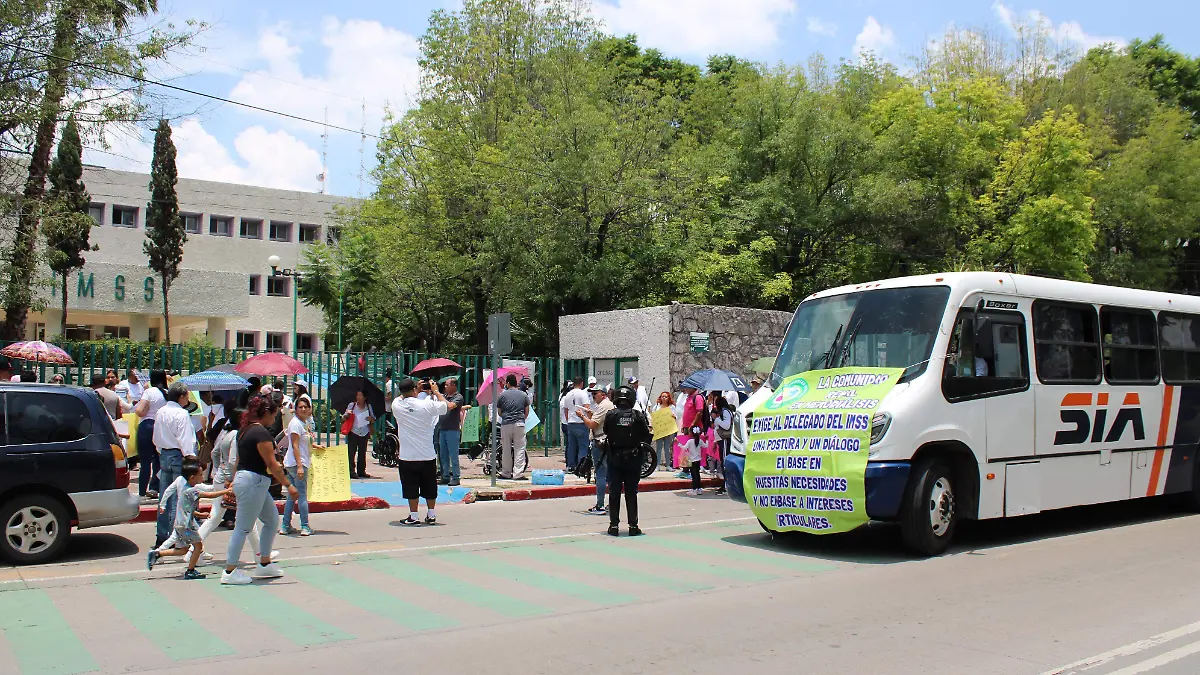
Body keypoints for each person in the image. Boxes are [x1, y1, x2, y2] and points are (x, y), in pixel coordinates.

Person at [222, 395, 296, 586]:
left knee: (271, 521)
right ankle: (229, 571)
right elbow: (272, 463)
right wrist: (288, 485)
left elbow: (239, 460)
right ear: (266, 413)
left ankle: (264, 563)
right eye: (274, 414)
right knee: (243, 527)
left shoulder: (245, 431)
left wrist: (232, 480)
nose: (275, 418)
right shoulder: (261, 433)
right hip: (253, 482)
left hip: (252, 481)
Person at [196, 409, 277, 562]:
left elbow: (214, 453)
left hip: (224, 479)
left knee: (244, 520)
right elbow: (234, 460)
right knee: (232, 520)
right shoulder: (238, 435)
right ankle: (194, 551)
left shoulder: (227, 434)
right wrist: (230, 478)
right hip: (231, 480)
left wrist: (220, 470)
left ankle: (261, 553)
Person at [147, 460, 229, 579]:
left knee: (183, 550)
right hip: (186, 526)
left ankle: (157, 553)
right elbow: (210, 495)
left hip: (181, 524)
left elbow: (186, 509)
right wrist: (227, 491)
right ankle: (190, 570)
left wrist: (200, 515)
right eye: (200, 475)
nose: (202, 477)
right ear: (192, 477)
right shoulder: (191, 491)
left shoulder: (185, 489)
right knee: (198, 546)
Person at [391, 377, 448, 525]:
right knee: (430, 486)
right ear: (415, 389)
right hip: (427, 454)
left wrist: (415, 388)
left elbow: (400, 396)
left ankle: (414, 515)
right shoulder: (426, 404)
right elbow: (444, 406)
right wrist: (435, 391)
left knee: (410, 487)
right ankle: (431, 514)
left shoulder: (396, 405)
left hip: (407, 456)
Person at [152, 382, 198, 547]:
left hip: (164, 454)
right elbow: (185, 440)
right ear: (181, 397)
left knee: (165, 496)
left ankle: (161, 534)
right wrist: (191, 458)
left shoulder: (161, 412)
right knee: (178, 499)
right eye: (186, 396)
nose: (188, 399)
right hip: (179, 455)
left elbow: (156, 437)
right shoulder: (182, 414)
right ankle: (175, 537)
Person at [603, 386, 651, 536]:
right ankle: (633, 525)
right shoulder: (637, 416)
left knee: (614, 492)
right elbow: (646, 434)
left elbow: (606, 431)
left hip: (615, 458)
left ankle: (614, 526)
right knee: (631, 492)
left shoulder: (611, 415)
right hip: (633, 458)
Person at [281, 396, 323, 537]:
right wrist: (299, 466)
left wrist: (315, 446)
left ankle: (285, 525)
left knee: (292, 496)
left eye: (306, 406)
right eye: (300, 407)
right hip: (297, 464)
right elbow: (295, 445)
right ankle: (305, 526)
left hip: (296, 463)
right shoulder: (296, 424)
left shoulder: (304, 423)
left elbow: (304, 442)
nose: (303, 409)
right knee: (302, 496)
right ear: (296, 409)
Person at [578, 386, 615, 515]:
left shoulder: (604, 406)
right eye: (592, 394)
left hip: (600, 442)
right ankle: (612, 504)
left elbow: (592, 424)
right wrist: (590, 415)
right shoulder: (608, 405)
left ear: (603, 394)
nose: (593, 396)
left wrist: (582, 416)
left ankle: (600, 505)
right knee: (610, 475)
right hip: (607, 442)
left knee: (600, 474)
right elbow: (597, 420)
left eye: (596, 394)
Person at [134, 370, 169, 501]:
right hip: (161, 426)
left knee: (145, 461)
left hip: (147, 426)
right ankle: (155, 487)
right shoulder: (167, 392)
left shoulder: (149, 391)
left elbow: (140, 411)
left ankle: (142, 491)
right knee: (158, 460)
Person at [496, 373, 530, 480]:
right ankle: (518, 473)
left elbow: (499, 412)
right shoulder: (523, 395)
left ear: (508, 383)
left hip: (506, 424)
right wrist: (521, 418)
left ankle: (506, 472)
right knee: (519, 448)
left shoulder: (502, 395)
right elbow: (527, 412)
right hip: (519, 423)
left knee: (506, 448)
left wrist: (507, 416)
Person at [436, 378, 466, 486]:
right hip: (442, 429)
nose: (445, 387)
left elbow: (450, 406)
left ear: (453, 385)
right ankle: (445, 476)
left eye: (447, 385)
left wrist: (437, 393)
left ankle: (456, 477)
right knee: (443, 455)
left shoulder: (458, 397)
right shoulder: (444, 397)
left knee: (453, 455)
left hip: (453, 430)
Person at [679, 384, 706, 496]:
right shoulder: (688, 397)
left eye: (687, 387)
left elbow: (699, 412)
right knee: (688, 455)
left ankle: (696, 486)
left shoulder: (697, 397)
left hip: (693, 430)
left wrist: (692, 425)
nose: (685, 389)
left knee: (693, 455)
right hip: (687, 428)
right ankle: (689, 475)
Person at [344, 390, 376, 479]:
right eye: (357, 395)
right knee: (351, 452)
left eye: (360, 395)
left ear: (365, 398)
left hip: (364, 431)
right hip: (353, 431)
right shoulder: (352, 405)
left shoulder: (368, 407)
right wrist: (347, 414)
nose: (358, 397)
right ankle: (351, 471)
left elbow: (373, 419)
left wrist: (371, 418)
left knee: (362, 452)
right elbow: (344, 416)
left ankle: (361, 471)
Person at [562, 377, 591, 472]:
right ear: (582, 383)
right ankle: (581, 466)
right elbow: (587, 408)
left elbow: (566, 410)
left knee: (571, 446)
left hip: (570, 423)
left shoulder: (568, 394)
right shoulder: (583, 393)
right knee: (583, 446)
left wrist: (568, 420)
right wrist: (588, 420)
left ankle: (571, 466)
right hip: (581, 423)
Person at [710, 392, 733, 496]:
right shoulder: (723, 412)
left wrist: (717, 420)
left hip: (724, 440)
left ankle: (726, 486)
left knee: (724, 463)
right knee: (722, 462)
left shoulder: (725, 412)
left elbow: (727, 426)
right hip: (720, 440)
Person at [651, 392, 677, 469]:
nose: (664, 398)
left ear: (669, 398)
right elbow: (654, 417)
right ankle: (657, 465)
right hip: (659, 431)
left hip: (668, 430)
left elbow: (676, 417)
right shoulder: (656, 407)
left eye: (665, 397)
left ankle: (668, 465)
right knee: (658, 448)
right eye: (662, 396)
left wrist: (673, 416)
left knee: (667, 448)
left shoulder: (672, 407)